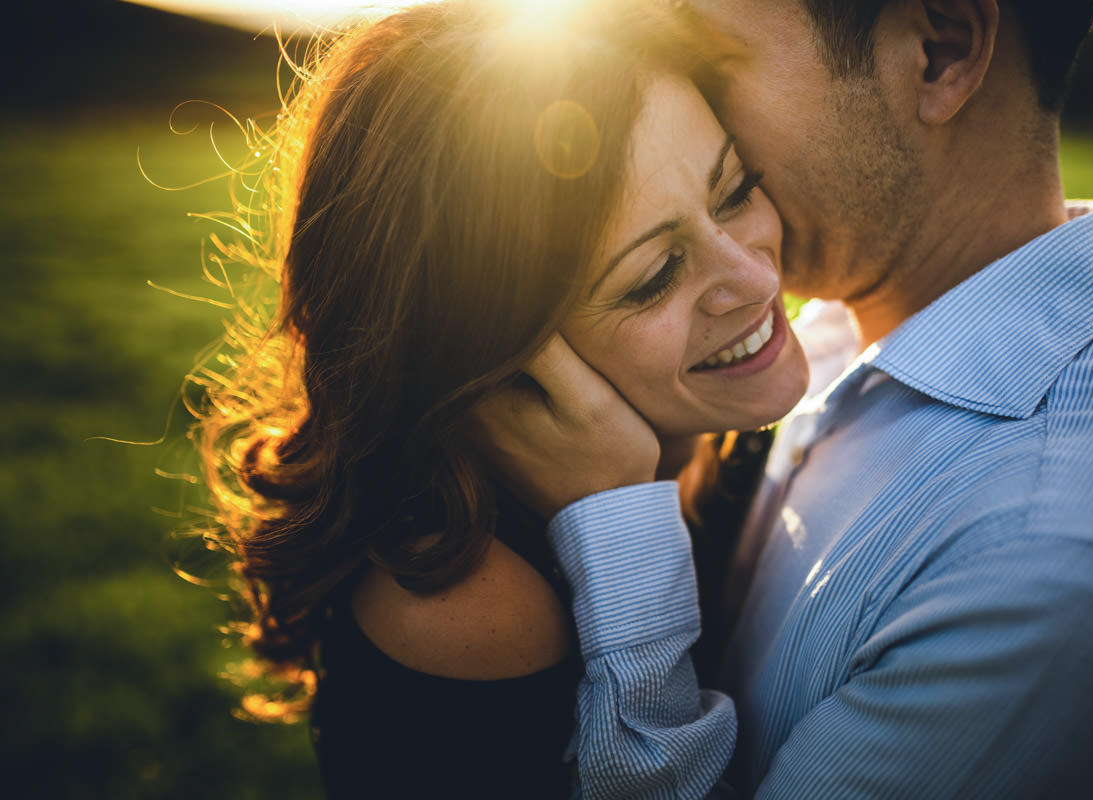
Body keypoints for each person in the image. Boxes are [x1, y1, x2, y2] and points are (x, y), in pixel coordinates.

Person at [476, 0, 1093, 796]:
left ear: (939, 50)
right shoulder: (824, 337)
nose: (685, 99)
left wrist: (614, 526)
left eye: (711, 63)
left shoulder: (1050, 569)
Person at [190, 0, 809, 797]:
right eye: (654, 276)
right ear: (501, 352)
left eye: (734, 190)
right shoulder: (470, 605)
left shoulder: (705, 439)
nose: (757, 279)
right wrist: (617, 519)